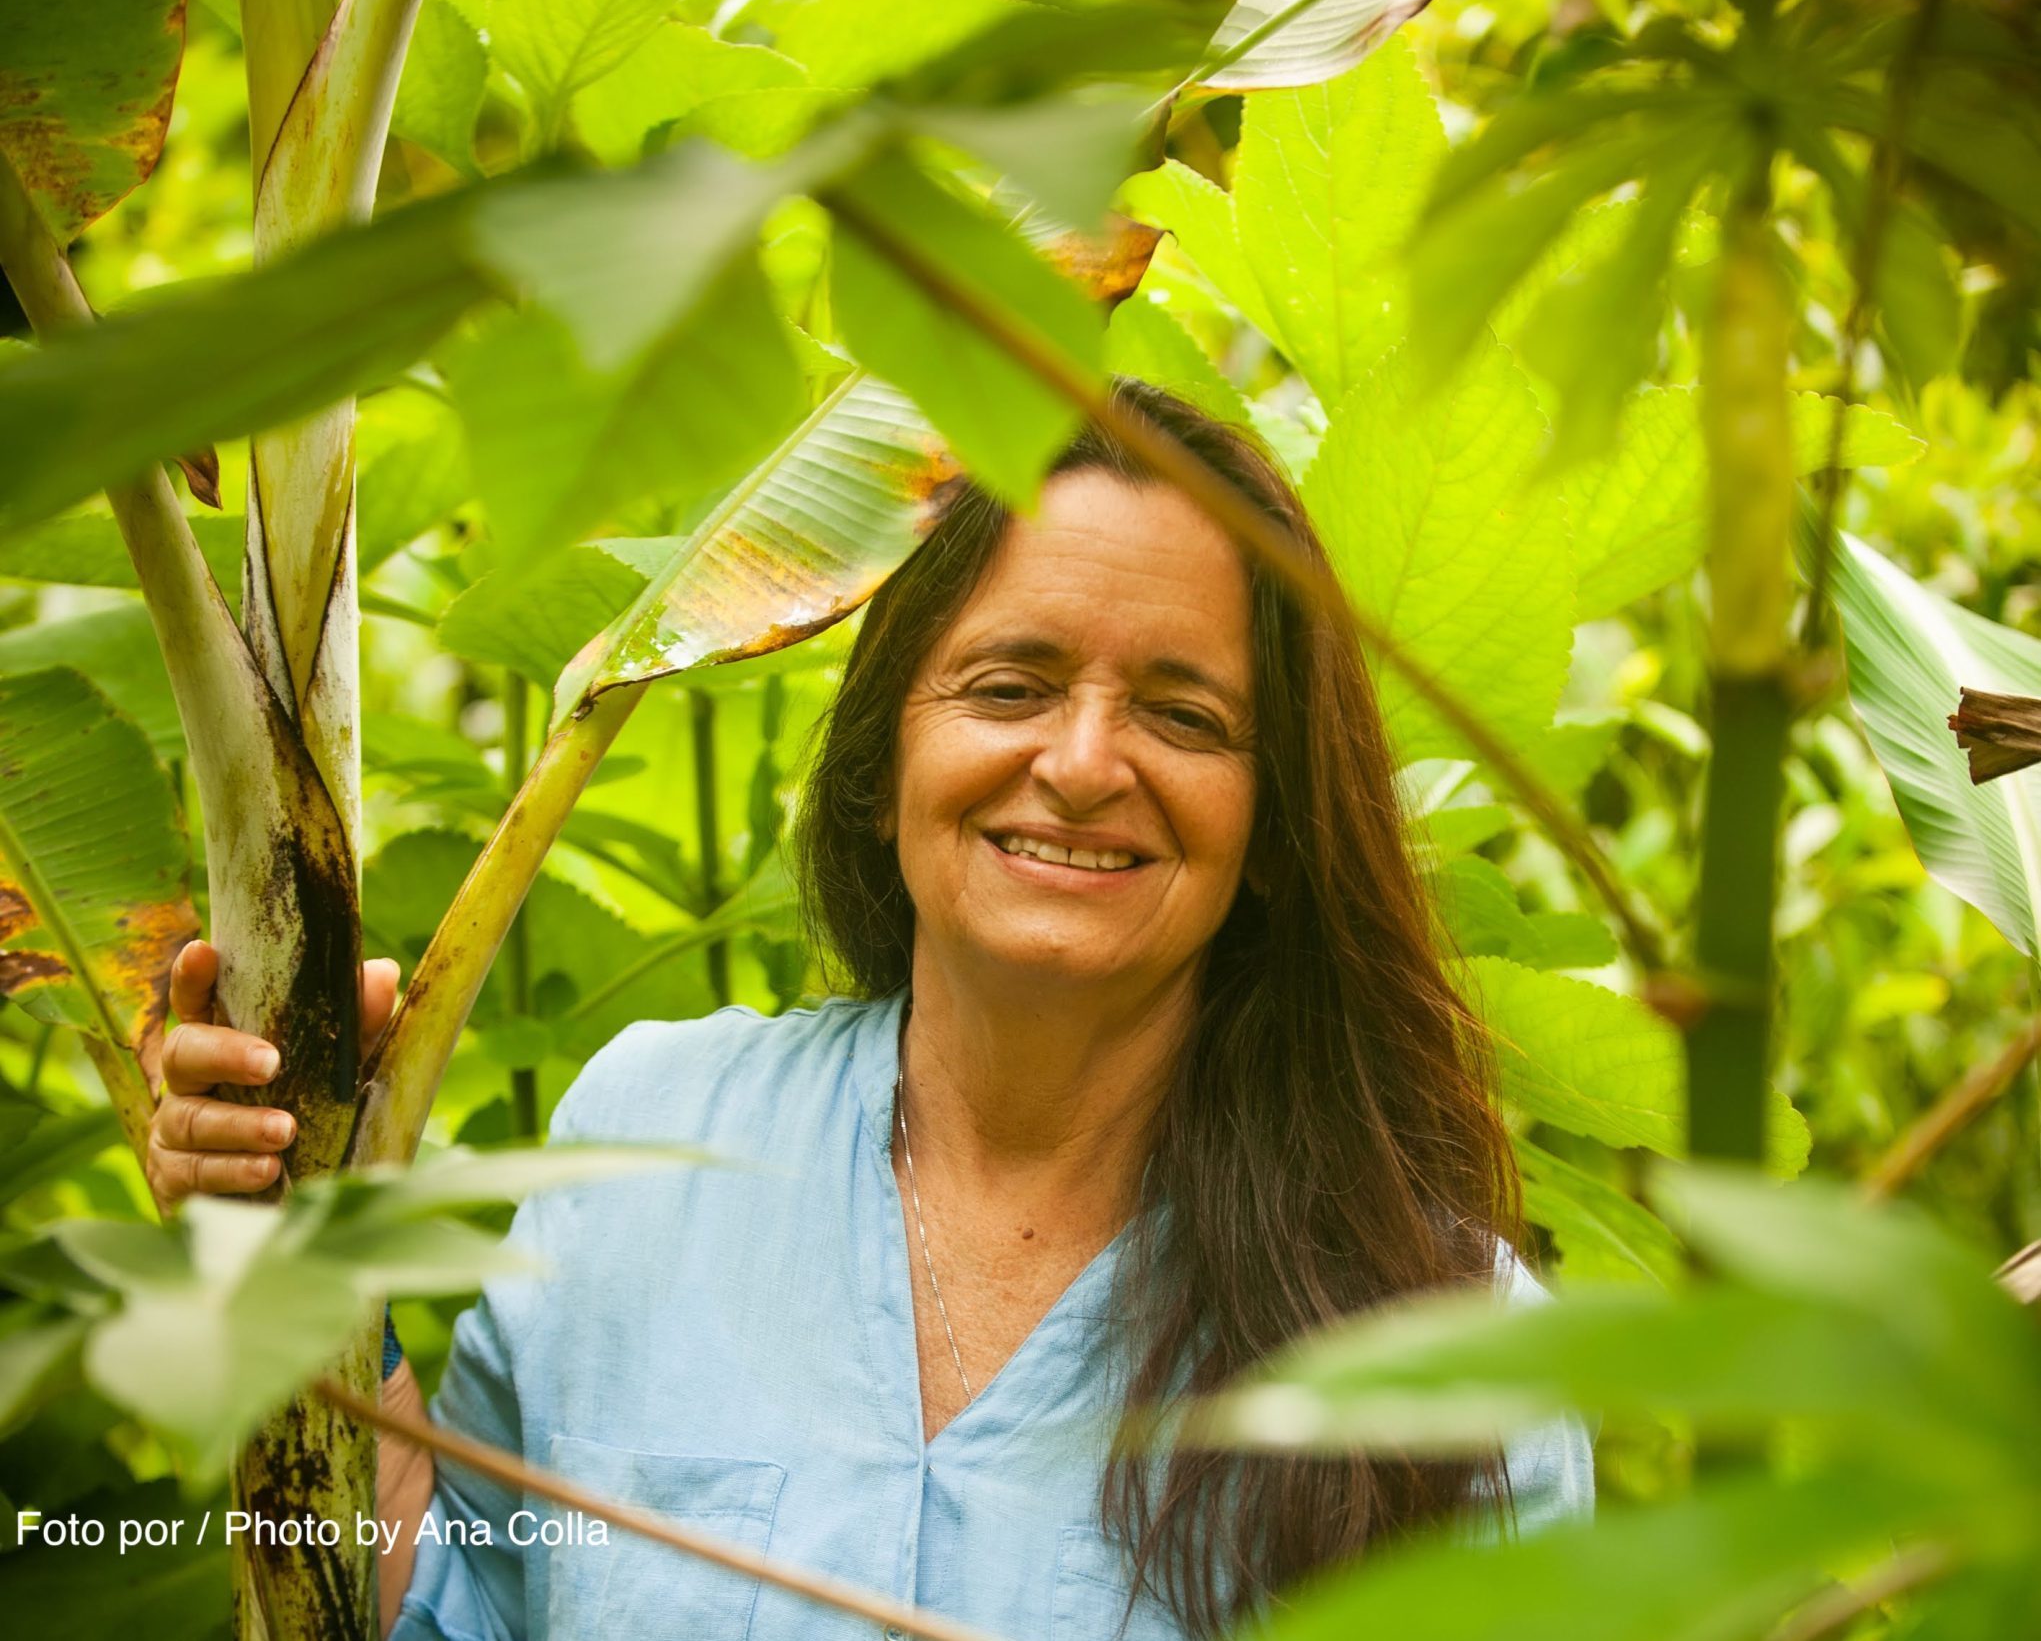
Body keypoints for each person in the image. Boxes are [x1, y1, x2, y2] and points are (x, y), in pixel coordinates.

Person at [148, 380, 1593, 1641]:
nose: (1083, 763)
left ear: (1273, 821)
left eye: (1182, 714)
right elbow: (460, 1612)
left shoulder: (1451, 1360)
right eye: (1010, 683)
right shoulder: (646, 1146)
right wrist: (302, 1263)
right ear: (884, 750)